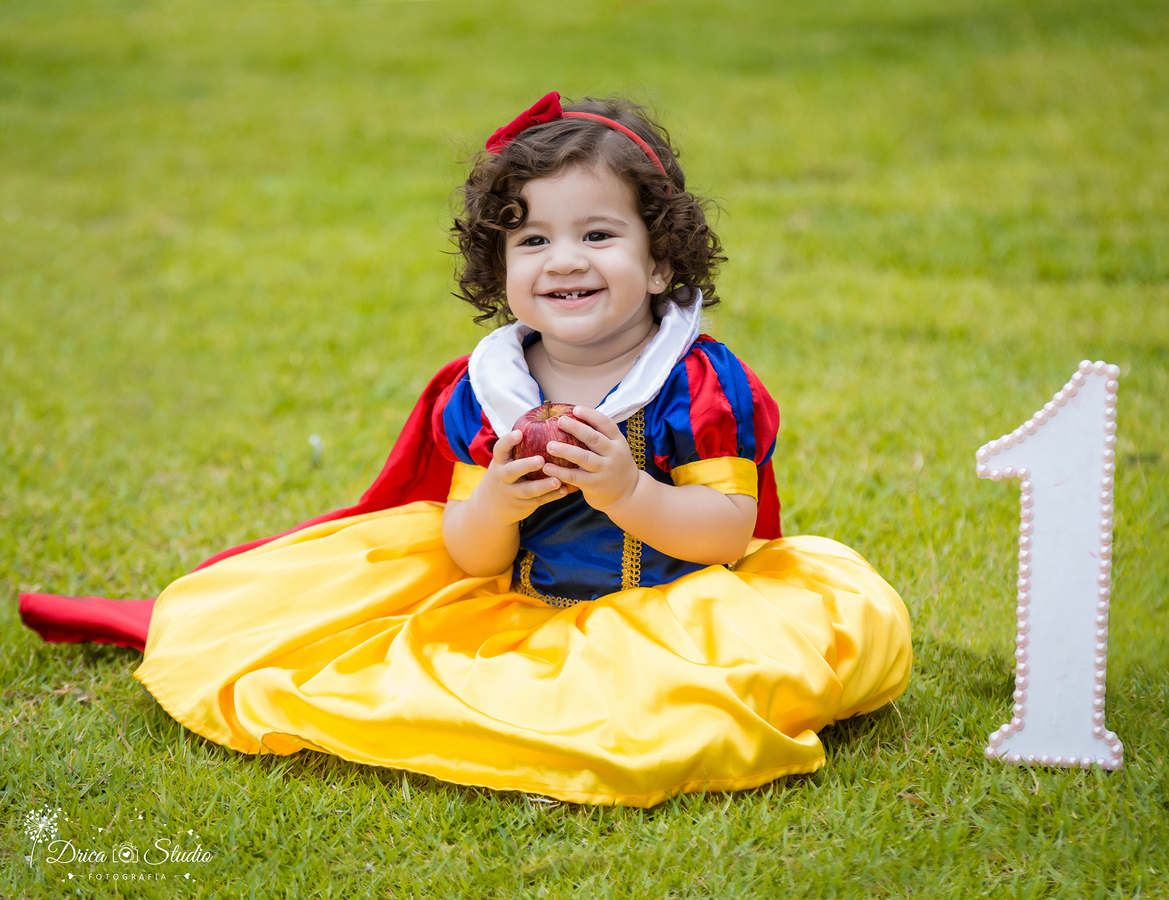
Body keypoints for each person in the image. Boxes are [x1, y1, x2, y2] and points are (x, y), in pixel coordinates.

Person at [22, 93, 912, 807]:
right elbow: (469, 549)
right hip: (527, 601)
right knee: (432, 676)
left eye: (598, 235)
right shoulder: (491, 393)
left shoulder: (694, 384)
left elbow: (728, 529)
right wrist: (499, 502)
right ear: (500, 273)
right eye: (533, 240)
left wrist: (626, 491)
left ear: (661, 262)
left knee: (683, 710)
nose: (565, 259)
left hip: (678, 604)